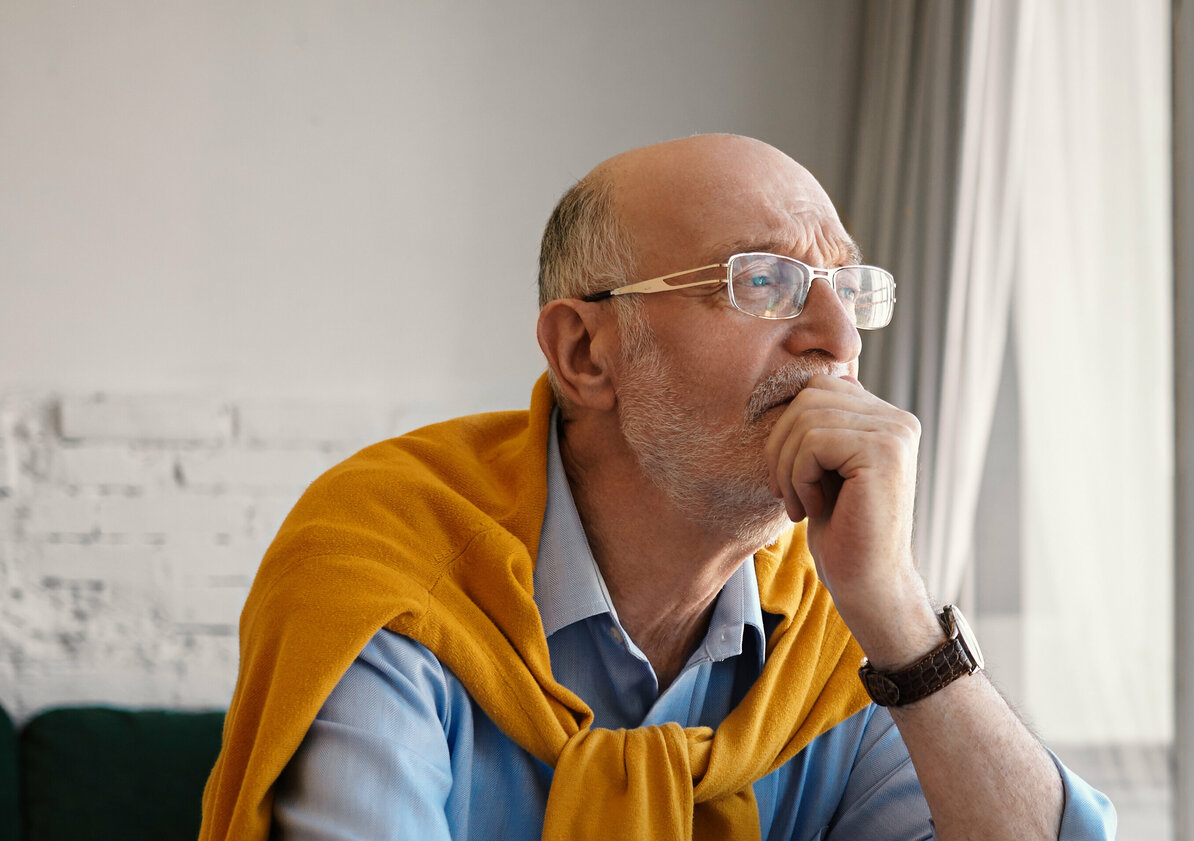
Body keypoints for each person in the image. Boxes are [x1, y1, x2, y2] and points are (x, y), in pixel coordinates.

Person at [197, 134, 1116, 841]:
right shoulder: (386, 564)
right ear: (586, 352)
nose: (838, 337)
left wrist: (902, 612)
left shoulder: (842, 628)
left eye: (850, 287)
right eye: (763, 282)